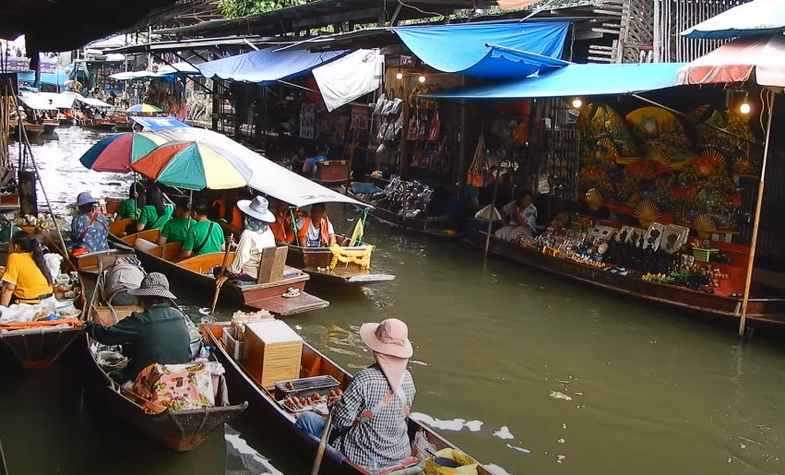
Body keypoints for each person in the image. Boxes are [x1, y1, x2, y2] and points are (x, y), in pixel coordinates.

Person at [296, 319, 416, 471]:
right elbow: (401, 413)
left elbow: (341, 422)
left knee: (306, 419)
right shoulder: (408, 379)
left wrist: (335, 405)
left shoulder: (365, 379)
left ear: (377, 349)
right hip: (399, 454)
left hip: (362, 456)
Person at [86, 273, 192, 380]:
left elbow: (106, 335)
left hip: (152, 379)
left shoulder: (140, 320)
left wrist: (88, 326)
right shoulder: (179, 315)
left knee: (112, 376)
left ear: (143, 299)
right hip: (181, 375)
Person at [225, 196, 277, 282]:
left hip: (251, 275)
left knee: (217, 270)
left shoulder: (247, 234)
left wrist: (227, 274)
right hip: (266, 272)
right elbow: (256, 248)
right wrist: (236, 245)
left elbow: (241, 258)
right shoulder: (268, 231)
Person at [1, 232, 54, 306]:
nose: (8, 247)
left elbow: (8, 288)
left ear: (16, 246)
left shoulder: (14, 257)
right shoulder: (35, 256)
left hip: (31, 305)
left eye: (10, 244)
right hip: (49, 301)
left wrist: (3, 311)